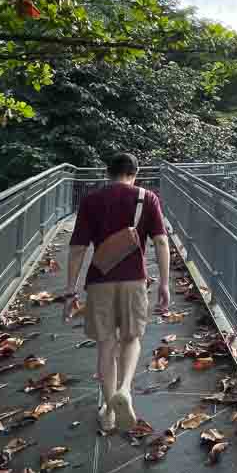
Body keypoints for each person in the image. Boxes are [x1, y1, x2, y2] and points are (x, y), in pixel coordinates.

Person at [63, 152, 170, 433]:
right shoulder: (148, 199)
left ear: (107, 172)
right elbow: (160, 242)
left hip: (99, 281)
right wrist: (165, 284)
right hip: (135, 281)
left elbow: (77, 249)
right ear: (136, 172)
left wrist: (70, 291)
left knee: (106, 344)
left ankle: (109, 409)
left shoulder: (91, 201)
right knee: (132, 338)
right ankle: (125, 390)